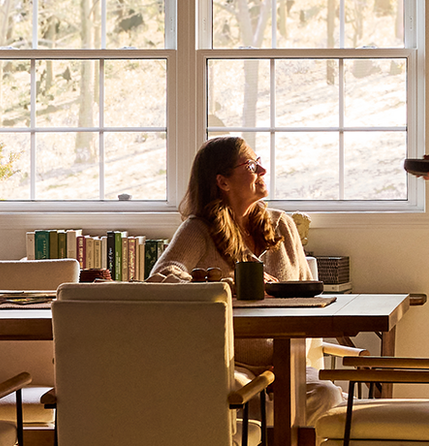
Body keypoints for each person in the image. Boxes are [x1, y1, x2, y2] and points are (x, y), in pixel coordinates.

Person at [147, 136, 343, 426]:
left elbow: (308, 300)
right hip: (228, 364)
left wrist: (291, 357)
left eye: (259, 163)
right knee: (242, 397)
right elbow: (161, 278)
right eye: (252, 165)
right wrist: (228, 286)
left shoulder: (282, 225)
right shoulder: (198, 229)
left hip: (286, 361)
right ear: (223, 182)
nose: (263, 171)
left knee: (326, 394)